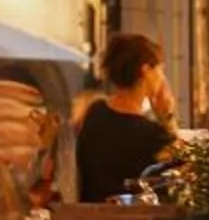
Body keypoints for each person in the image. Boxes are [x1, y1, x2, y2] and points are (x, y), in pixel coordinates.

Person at [76, 33, 179, 202]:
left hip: (89, 218)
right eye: (160, 69)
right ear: (146, 70)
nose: (162, 77)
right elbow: (182, 167)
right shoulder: (152, 134)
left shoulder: (95, 112)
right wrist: (167, 117)